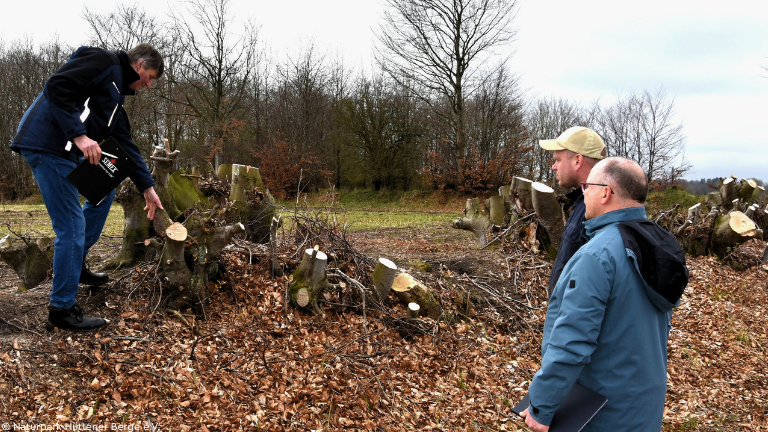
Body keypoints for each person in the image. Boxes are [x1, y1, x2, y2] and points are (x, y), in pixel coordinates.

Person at [520, 157, 688, 432]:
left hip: (599, 413)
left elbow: (572, 342)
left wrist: (542, 405)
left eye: (587, 186)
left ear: (605, 192)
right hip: (643, 407)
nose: (583, 193)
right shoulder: (660, 245)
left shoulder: (598, 256)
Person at [10, 43, 165, 332]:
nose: (149, 85)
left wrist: (147, 187)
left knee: (104, 191)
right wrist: (80, 136)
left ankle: (76, 264)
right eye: (151, 77)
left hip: (66, 152)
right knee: (71, 226)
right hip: (48, 146)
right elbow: (57, 86)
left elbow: (125, 143)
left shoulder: (116, 95)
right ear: (141, 65)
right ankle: (62, 309)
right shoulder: (102, 61)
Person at [538, 126, 606, 297]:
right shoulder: (584, 202)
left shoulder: (598, 210)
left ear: (577, 160)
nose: (554, 167)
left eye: (558, 160)